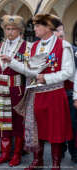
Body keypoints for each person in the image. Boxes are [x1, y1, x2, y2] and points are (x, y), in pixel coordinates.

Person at [1, 13, 74, 170]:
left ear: (48, 27)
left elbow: (68, 72)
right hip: (36, 94)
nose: (34, 29)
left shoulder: (63, 45)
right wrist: (11, 62)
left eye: (38, 26)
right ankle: (37, 160)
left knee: (56, 129)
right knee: (36, 128)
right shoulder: (34, 46)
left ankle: (56, 163)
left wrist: (47, 78)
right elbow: (29, 71)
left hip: (55, 92)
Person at [0, 15, 28, 167]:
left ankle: (16, 155)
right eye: (7, 29)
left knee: (17, 124)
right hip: (0, 90)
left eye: (13, 29)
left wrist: (12, 62)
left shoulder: (26, 47)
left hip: (17, 91)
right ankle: (4, 153)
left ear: (20, 31)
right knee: (3, 124)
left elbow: (28, 70)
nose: (10, 32)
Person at [54, 21, 77, 163]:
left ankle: (74, 152)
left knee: (74, 124)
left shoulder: (73, 50)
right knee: (58, 124)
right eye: (56, 30)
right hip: (55, 92)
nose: (60, 33)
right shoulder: (49, 52)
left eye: (61, 30)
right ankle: (59, 151)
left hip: (70, 92)